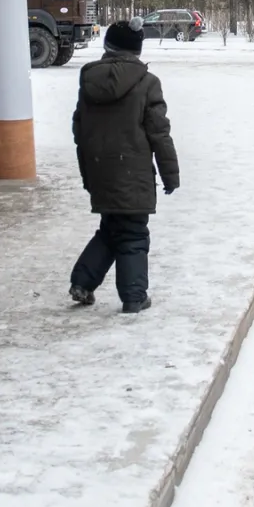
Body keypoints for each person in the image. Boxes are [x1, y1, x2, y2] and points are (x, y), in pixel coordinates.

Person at [70, 20, 180, 314]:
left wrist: (87, 172)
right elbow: (159, 133)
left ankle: (82, 282)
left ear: (108, 46)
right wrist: (171, 174)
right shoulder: (147, 83)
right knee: (132, 233)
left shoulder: (89, 78)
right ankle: (134, 297)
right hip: (133, 173)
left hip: (99, 169)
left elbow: (79, 128)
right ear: (137, 48)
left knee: (112, 227)